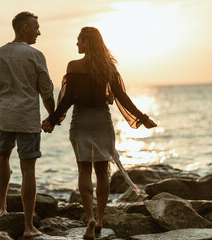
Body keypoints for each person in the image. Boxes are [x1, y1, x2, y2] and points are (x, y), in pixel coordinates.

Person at [42, 27, 157, 239]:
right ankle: (101, 218)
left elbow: (67, 100)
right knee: (102, 171)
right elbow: (122, 97)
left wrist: (52, 120)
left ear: (87, 42)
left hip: (81, 121)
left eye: (79, 41)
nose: (77, 45)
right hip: (102, 122)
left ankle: (90, 218)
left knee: (84, 171)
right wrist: (143, 118)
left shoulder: (73, 66)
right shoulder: (108, 67)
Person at [0, 11, 55, 238]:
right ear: (24, 28)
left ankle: (2, 207)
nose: (39, 31)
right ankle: (27, 227)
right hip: (27, 119)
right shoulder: (35, 55)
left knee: (3, 156)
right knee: (28, 169)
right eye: (36, 27)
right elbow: (46, 91)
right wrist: (52, 116)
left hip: (5, 117)